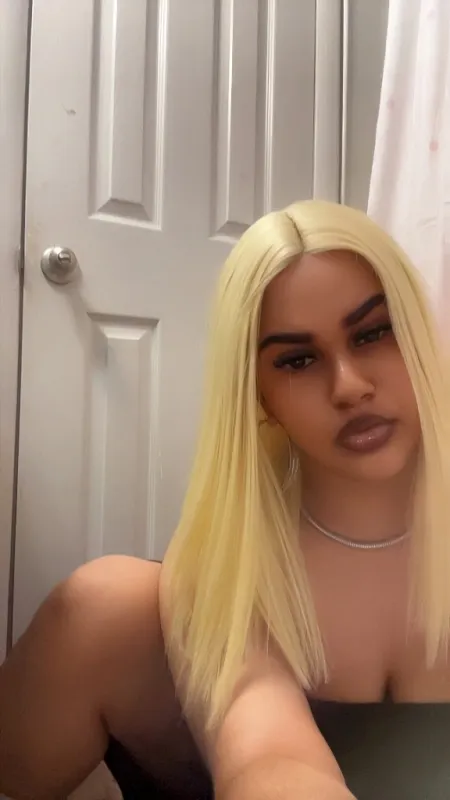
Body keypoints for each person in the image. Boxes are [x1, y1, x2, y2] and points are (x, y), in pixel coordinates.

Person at [2, 200, 450, 800]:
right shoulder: (228, 569)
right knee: (102, 604)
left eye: (372, 333)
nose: (349, 386)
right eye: (298, 360)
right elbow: (268, 756)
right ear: (259, 397)